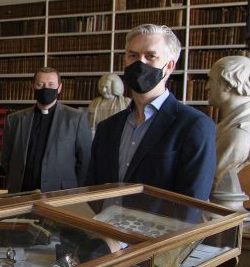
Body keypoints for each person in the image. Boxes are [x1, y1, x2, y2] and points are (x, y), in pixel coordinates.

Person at [86, 24, 216, 201]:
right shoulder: (106, 128)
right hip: (104, 226)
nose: (140, 63)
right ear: (125, 61)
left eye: (150, 56)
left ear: (169, 66)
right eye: (133, 55)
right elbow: (92, 191)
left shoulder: (195, 126)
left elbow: (192, 203)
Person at [0, 67, 91, 193]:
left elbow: (85, 161)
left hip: (60, 194)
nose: (45, 89)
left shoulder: (76, 119)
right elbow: (6, 160)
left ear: (59, 88)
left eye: (51, 85)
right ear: (33, 87)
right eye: (40, 84)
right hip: (21, 192)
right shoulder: (14, 120)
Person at [208, 56, 250, 215]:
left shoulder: (241, 131)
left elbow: (219, 165)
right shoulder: (228, 124)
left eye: (211, 80)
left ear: (228, 84)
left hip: (219, 212)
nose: (207, 87)